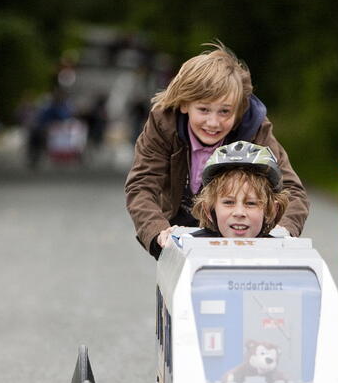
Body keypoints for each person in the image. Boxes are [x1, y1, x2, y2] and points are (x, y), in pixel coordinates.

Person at [125, 42, 309, 259]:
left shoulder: (255, 129)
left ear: (239, 111)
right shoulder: (163, 125)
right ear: (185, 105)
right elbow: (142, 185)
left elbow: (292, 190)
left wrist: (283, 230)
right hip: (179, 226)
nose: (213, 123)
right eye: (203, 110)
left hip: (239, 228)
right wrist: (156, 230)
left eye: (225, 112)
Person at [187, 141, 290, 239]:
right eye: (228, 202)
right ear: (209, 210)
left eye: (251, 203)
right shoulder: (189, 244)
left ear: (271, 210)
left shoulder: (282, 251)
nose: (239, 213)